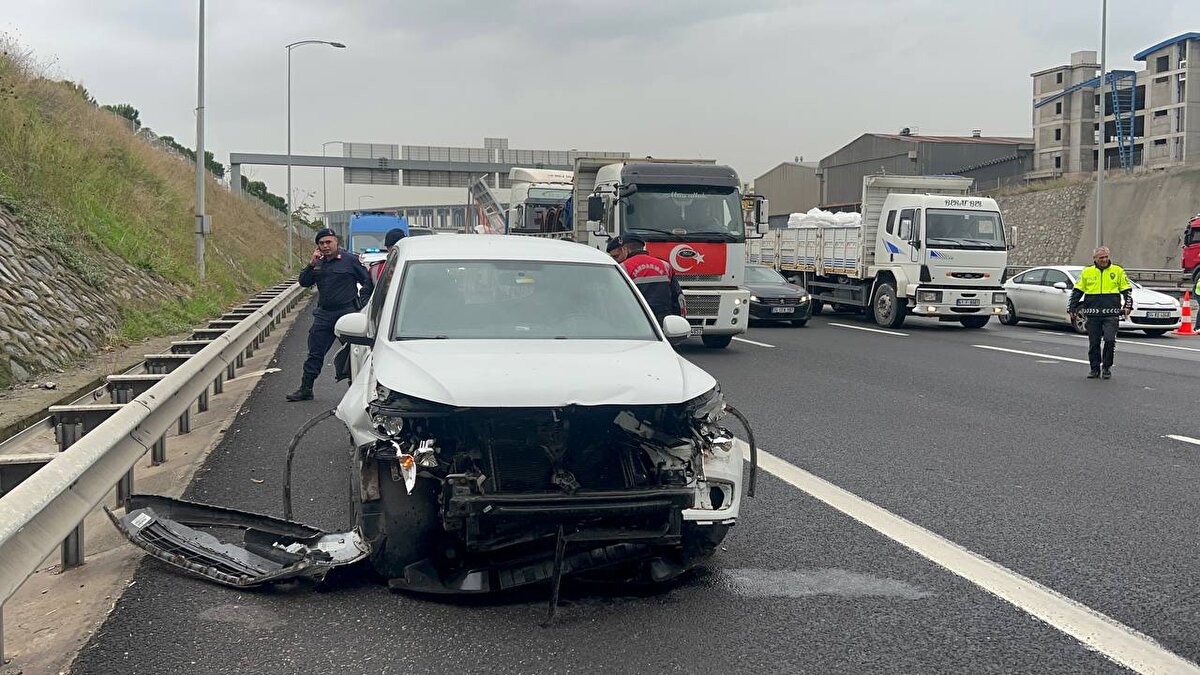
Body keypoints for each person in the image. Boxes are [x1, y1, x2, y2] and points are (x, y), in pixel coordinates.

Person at [286, 228, 374, 401]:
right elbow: (304, 282)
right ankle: (306, 388)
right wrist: (311, 264)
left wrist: (364, 303)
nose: (325, 246)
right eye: (321, 243)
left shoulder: (350, 260)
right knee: (315, 353)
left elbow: (367, 282)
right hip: (324, 314)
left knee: (355, 354)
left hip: (347, 313)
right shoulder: (318, 263)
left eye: (328, 242)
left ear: (336, 242)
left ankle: (360, 391)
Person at [1067, 246, 1132, 379]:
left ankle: (1106, 367)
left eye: (1106, 257)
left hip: (1111, 313)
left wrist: (1128, 305)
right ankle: (1094, 369)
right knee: (1094, 343)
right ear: (1095, 258)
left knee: (1109, 340)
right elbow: (1077, 291)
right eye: (1101, 257)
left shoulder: (1117, 271)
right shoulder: (1087, 272)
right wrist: (1072, 307)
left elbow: (1127, 290)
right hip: (1093, 314)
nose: (1104, 260)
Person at [619, 233, 683, 322]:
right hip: (663, 320)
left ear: (625, 249)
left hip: (638, 321)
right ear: (642, 247)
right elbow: (678, 297)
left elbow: (619, 299)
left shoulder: (623, 268)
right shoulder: (665, 265)